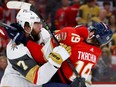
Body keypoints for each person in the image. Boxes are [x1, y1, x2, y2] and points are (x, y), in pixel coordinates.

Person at [7, 21, 113, 87]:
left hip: (58, 83)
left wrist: (25, 40)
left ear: (92, 34)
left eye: (92, 30)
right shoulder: (97, 52)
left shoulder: (70, 38)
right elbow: (83, 37)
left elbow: (40, 56)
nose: (89, 29)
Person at [0, 9, 71, 87]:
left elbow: (53, 43)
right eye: (36, 23)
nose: (41, 26)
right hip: (16, 84)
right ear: (27, 27)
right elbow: (37, 78)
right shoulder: (15, 50)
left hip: (36, 84)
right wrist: (55, 63)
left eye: (40, 22)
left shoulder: (42, 33)